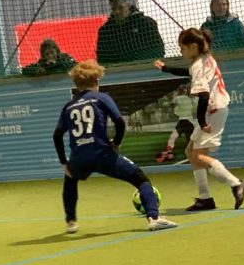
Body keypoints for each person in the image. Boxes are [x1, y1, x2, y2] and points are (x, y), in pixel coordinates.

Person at [53, 60, 177, 233]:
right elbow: (119, 121)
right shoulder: (101, 97)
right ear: (97, 80)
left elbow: (57, 135)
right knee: (141, 179)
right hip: (103, 154)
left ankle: (71, 222)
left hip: (79, 157)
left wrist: (63, 163)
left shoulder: (69, 106)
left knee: (70, 180)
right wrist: (116, 143)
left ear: (77, 84)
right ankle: (154, 218)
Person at [155, 28, 244, 211]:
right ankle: (205, 198)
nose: (181, 52)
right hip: (215, 110)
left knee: (199, 156)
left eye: (182, 49)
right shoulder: (206, 58)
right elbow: (189, 72)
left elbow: (204, 95)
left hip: (213, 112)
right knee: (190, 151)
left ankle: (236, 184)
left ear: (193, 47)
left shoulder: (198, 64)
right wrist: (166, 68)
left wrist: (202, 122)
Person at [95, 0, 165, 64]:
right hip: (118, 69)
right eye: (114, 9)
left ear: (128, 6)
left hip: (145, 66)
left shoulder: (146, 23)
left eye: (120, 8)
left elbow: (158, 49)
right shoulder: (105, 31)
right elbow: (101, 58)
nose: (117, 12)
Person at [155, 85, 195, 163]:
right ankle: (192, 156)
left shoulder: (178, 98)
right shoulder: (189, 99)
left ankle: (169, 154)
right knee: (190, 140)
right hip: (190, 121)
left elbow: (171, 104)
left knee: (173, 138)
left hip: (183, 120)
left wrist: (174, 96)